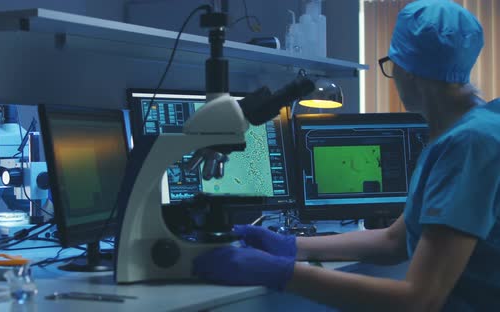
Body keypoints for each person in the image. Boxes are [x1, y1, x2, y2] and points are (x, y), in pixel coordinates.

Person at [193, 1, 500, 310]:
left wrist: (279, 272)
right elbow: (395, 240)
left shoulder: (468, 145)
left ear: (408, 69)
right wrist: (289, 246)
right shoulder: (469, 130)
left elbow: (418, 298)